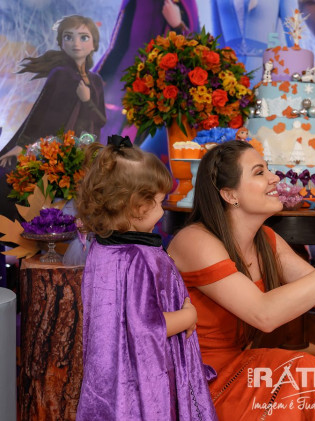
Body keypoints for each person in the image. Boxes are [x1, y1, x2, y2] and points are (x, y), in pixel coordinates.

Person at [167, 140, 315, 419]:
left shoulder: (266, 240)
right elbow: (263, 314)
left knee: (306, 368)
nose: (274, 178)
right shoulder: (196, 241)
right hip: (193, 380)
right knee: (299, 374)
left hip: (235, 365)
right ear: (230, 194)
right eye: (260, 172)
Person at [75, 136, 217, 420]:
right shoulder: (139, 257)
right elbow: (146, 328)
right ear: (138, 206)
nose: (162, 211)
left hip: (110, 376)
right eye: (159, 202)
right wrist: (188, 316)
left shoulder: (101, 249)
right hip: (144, 383)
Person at [0, 15, 106, 221]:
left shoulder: (96, 81)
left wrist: (87, 100)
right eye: (69, 37)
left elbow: (101, 119)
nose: (76, 43)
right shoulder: (60, 74)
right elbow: (40, 112)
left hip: (84, 153)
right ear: (61, 43)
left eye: (83, 37)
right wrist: (21, 144)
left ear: (94, 44)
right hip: (55, 151)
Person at [95, 0, 199, 142]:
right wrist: (100, 78)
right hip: (125, 80)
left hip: (166, 91)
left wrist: (177, 25)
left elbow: (196, 51)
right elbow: (119, 44)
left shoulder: (185, 3)